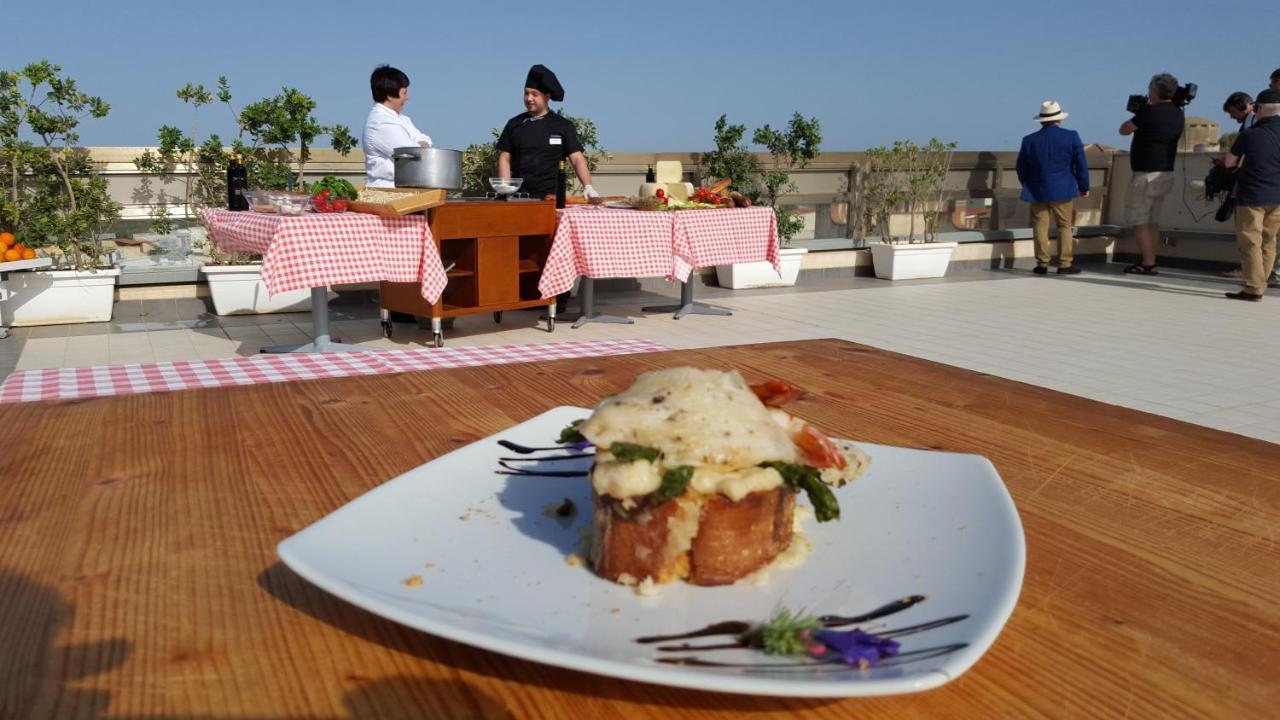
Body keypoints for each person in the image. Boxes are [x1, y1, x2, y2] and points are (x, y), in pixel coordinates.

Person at [497, 65, 600, 204]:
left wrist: (588, 186)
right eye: (526, 93)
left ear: (547, 96)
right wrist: (505, 191)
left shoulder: (563, 125)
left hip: (551, 200)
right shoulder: (514, 124)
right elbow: (505, 158)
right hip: (519, 199)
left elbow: (577, 158)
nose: (529, 98)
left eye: (534, 94)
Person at [1118, 73, 1185, 275]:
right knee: (1152, 221)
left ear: (1155, 91)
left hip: (1145, 174)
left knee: (1139, 221)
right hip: (1165, 173)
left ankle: (1147, 263)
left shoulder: (1149, 112)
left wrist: (1141, 111)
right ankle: (1150, 260)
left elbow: (1124, 130)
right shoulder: (1178, 112)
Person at [1016, 101, 1090, 275]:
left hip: (1037, 189)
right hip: (1063, 189)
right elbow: (1081, 165)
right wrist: (1084, 186)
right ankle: (1065, 263)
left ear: (1041, 120)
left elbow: (1021, 168)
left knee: (1040, 225)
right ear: (1059, 119)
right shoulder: (1071, 136)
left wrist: (1028, 184)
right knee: (1064, 225)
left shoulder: (1029, 140)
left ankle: (1042, 263)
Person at [1222, 90, 1280, 301]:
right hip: (1278, 196)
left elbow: (1229, 162)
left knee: (1249, 241)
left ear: (1257, 109)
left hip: (1252, 195)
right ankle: (1261, 282)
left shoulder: (1249, 134)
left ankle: (1254, 287)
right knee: (1269, 241)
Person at [362, 65, 432, 188]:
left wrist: (419, 144)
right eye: (404, 93)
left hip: (404, 188)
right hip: (387, 190)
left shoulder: (402, 119)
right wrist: (418, 144)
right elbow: (412, 154)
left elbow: (426, 140)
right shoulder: (381, 122)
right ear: (390, 95)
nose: (407, 97)